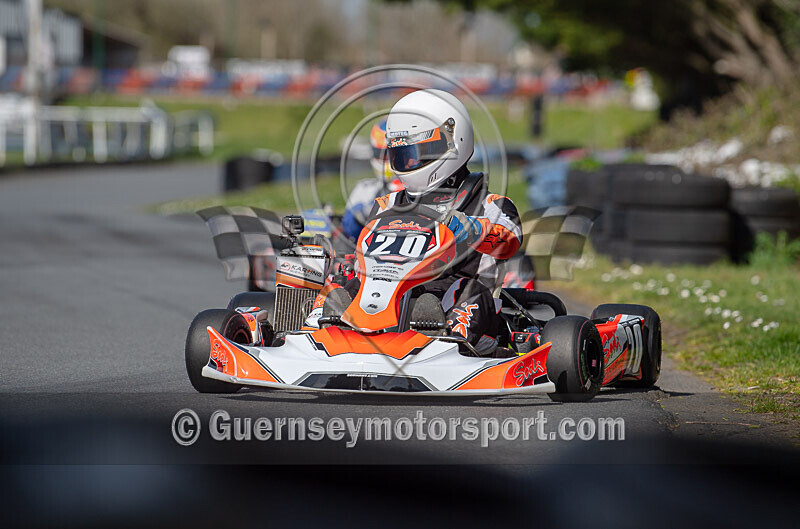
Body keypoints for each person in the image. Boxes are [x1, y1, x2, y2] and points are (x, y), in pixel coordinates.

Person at [339, 89, 523, 355]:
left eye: (417, 154)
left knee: (467, 289)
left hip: (459, 301)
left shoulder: (489, 204)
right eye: (404, 156)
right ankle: (324, 328)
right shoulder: (386, 205)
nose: (409, 163)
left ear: (452, 143)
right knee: (345, 281)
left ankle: (450, 340)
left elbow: (509, 241)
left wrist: (472, 229)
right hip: (394, 296)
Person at [341, 118, 404, 240]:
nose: (385, 159)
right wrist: (367, 211)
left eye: (390, 153)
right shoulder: (366, 189)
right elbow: (348, 228)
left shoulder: (419, 186)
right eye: (381, 153)